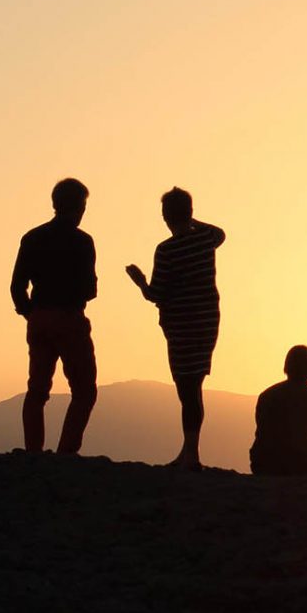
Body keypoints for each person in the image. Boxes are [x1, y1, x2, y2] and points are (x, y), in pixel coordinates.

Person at [125, 187, 225, 470]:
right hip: (207, 321)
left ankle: (190, 454)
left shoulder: (167, 250)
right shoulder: (206, 238)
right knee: (194, 385)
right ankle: (190, 451)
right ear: (191, 213)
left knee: (187, 387)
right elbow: (220, 233)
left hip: (181, 324)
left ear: (165, 216)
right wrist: (193, 221)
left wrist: (139, 280)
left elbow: (156, 293)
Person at [11, 178, 99, 454]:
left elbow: (17, 286)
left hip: (39, 319)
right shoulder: (82, 241)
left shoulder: (32, 237)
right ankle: (66, 452)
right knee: (84, 390)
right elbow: (90, 289)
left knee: (37, 390)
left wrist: (30, 313)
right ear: (81, 207)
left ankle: (33, 452)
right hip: (70, 318)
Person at [250, 346, 307, 476]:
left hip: (265, 464)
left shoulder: (268, 395)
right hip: (303, 466)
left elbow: (262, 434)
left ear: (286, 367)